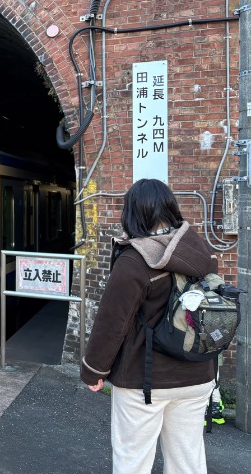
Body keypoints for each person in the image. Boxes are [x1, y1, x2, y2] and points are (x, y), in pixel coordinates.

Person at [81, 179, 216, 474]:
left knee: (133, 460)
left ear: (131, 214)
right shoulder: (198, 251)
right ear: (171, 208)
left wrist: (93, 370)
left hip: (145, 380)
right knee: (188, 462)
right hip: (198, 374)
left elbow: (112, 322)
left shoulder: (135, 260)